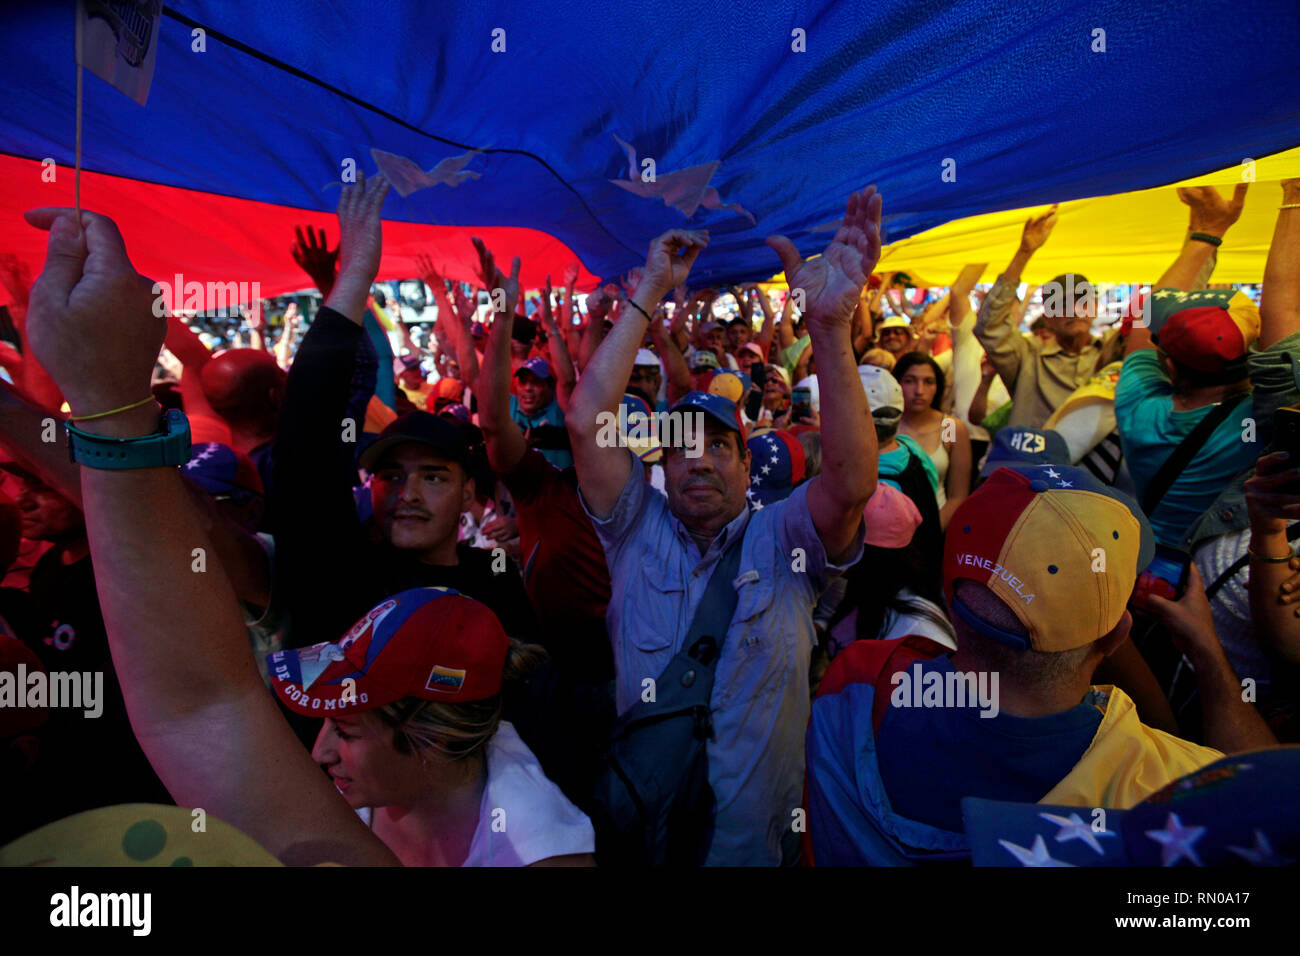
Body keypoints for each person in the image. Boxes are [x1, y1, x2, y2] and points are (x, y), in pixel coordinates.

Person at [565, 187, 883, 865]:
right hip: (641, 841)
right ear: (661, 466)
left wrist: (829, 331)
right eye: (681, 447)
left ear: (746, 463)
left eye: (718, 446)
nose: (699, 461)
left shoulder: (788, 538)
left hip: (756, 850)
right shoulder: (632, 529)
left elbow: (853, 484)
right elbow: (585, 418)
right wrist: (649, 290)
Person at [804, 464, 1276, 865]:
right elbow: (1268, 800)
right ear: (1116, 638)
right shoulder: (1174, 792)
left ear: (948, 599)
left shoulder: (856, 684)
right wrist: (1208, 655)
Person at [269, 175, 533, 654]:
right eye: (391, 475)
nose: (408, 495)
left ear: (469, 492)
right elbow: (305, 437)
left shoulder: (494, 583)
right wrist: (350, 281)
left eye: (433, 477)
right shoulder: (340, 565)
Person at [272, 587, 595, 866]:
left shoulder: (539, 853)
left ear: (433, 737)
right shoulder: (356, 791)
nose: (319, 753)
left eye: (345, 731)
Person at [1117, 184, 1264, 546]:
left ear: (1169, 365)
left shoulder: (1138, 407)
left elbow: (1142, 326)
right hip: (1224, 581)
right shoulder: (1260, 421)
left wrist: (1205, 234)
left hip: (1156, 563)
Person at [974, 205, 1105, 428]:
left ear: (1094, 308)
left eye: (1083, 301)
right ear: (1049, 317)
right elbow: (989, 326)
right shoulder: (1027, 357)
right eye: (1063, 304)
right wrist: (1024, 253)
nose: (1075, 310)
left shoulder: (1110, 352)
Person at [894, 351, 971, 526]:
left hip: (937, 525)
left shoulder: (949, 427)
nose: (919, 391)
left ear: (938, 387)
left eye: (928, 382)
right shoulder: (888, 426)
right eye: (910, 381)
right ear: (897, 384)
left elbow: (958, 496)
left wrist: (932, 531)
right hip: (889, 528)